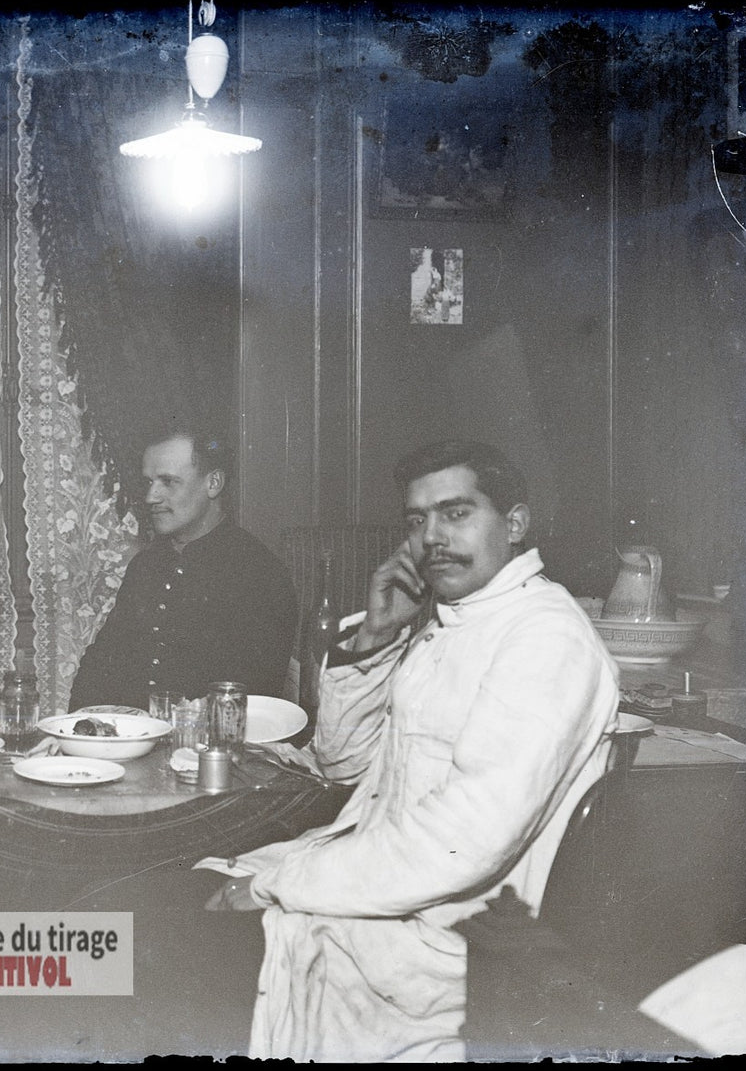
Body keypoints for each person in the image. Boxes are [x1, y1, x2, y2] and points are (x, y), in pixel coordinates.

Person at [201, 439, 620, 1061]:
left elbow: (464, 841)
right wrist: (375, 636)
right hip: (376, 893)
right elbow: (342, 765)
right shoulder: (450, 619)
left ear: (515, 523)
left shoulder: (544, 637)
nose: (431, 538)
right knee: (136, 914)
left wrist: (277, 886)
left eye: (456, 513)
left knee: (141, 949)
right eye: (417, 520)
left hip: (443, 939)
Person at [68, 425, 298, 710]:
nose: (152, 496)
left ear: (213, 483)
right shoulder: (145, 566)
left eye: (168, 481)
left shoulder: (259, 573)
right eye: (149, 482)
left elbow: (253, 695)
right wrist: (79, 728)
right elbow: (101, 663)